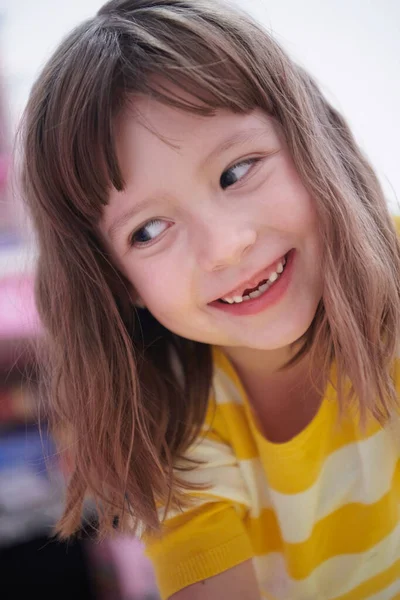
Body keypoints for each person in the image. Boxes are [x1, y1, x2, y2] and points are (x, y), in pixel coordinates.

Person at [19, 0, 400, 598]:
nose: (224, 247)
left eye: (237, 170)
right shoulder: (169, 425)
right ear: (115, 282)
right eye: (148, 231)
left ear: (310, 140)